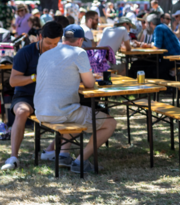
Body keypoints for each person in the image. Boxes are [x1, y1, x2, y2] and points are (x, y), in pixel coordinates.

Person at [33, 25, 118, 173]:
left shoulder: (45, 54)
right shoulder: (79, 53)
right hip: (61, 111)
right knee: (110, 123)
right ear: (80, 40)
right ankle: (81, 161)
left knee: (77, 112)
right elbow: (90, 84)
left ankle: (64, 155)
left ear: (63, 38)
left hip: (41, 111)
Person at [1, 22, 63, 171]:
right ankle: (13, 157)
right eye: (48, 43)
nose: (52, 47)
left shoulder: (60, 52)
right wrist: (35, 77)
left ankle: (51, 151)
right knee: (22, 112)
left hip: (50, 96)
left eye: (56, 43)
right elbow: (13, 81)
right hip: (26, 96)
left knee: (71, 106)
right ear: (40, 37)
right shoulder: (26, 52)